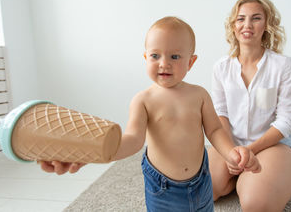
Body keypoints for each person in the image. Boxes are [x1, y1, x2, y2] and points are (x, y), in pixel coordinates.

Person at [39, 16, 261, 211]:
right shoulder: (143, 100)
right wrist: (97, 152)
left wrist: (231, 152)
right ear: (146, 58)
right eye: (155, 56)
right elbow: (133, 140)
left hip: (201, 180)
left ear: (190, 62)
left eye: (175, 57)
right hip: (163, 188)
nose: (164, 63)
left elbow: (214, 130)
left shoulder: (199, 95)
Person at [208, 0, 291, 211]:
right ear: (233, 25)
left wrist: (249, 150)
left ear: (267, 25)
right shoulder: (221, 68)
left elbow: (286, 121)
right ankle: (236, 180)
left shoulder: (283, 67)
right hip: (232, 143)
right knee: (202, 191)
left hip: (272, 146)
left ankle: (251, 181)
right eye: (241, 19)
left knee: (255, 204)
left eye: (256, 18)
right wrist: (231, 151)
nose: (247, 25)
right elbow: (220, 112)